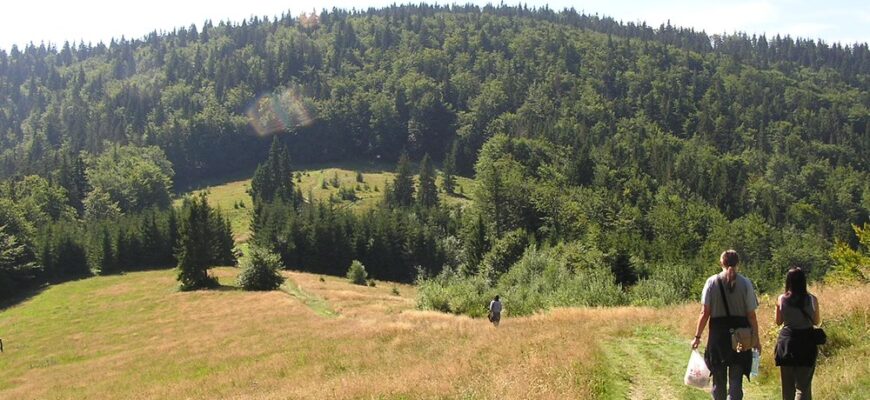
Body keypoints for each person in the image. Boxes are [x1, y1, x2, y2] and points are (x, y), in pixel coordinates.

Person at [691, 249, 761, 400]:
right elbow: (752, 316)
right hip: (740, 337)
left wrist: (697, 337)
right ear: (738, 263)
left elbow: (704, 313)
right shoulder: (746, 284)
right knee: (736, 380)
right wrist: (756, 339)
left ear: (721, 262)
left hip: (718, 337)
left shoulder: (711, 282)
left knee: (718, 380)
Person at [775, 267, 820, 400]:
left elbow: (778, 322)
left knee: (787, 388)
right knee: (803, 387)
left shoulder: (782, 299)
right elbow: (816, 321)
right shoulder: (812, 299)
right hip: (807, 343)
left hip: (787, 343)